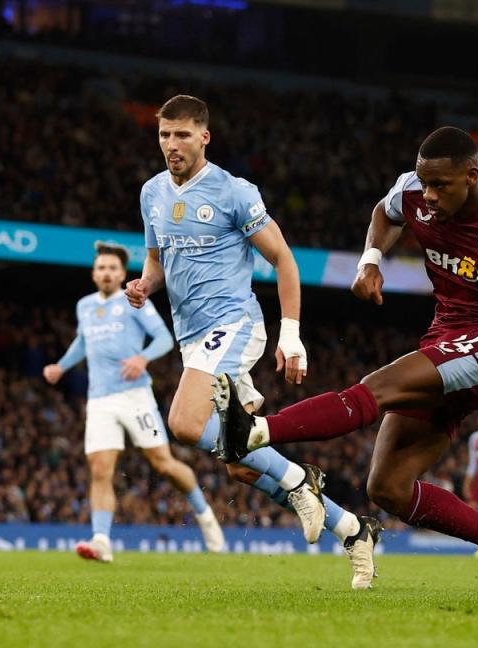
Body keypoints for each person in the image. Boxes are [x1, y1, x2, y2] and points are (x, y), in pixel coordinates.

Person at [214, 126, 478, 600]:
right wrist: (371, 258)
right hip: (446, 331)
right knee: (387, 487)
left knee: (379, 387)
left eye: (441, 186)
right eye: (424, 183)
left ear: (472, 176)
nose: (428, 196)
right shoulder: (412, 189)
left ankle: (253, 432)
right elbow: (384, 211)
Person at [125, 95, 380, 589]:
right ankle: (353, 530)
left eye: (181, 134)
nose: (171, 144)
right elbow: (155, 268)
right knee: (243, 467)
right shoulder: (151, 193)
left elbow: (284, 259)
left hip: (235, 322)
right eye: (163, 134)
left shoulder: (234, 192)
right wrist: (142, 286)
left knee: (182, 422)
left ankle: (298, 479)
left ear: (204, 136)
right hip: (192, 338)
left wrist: (291, 335)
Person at [44, 243, 224, 563]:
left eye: (112, 268)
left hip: (134, 396)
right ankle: (101, 540)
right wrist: (61, 365)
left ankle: (204, 513)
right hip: (99, 398)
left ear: (121, 274)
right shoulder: (85, 306)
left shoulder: (133, 304)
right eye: (101, 268)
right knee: (100, 470)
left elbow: (164, 339)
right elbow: (83, 341)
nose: (106, 273)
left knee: (163, 464)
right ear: (93, 273)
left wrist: (142, 357)